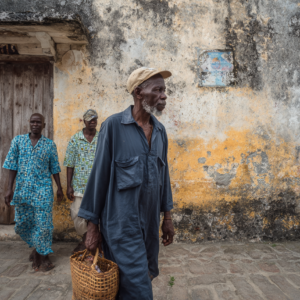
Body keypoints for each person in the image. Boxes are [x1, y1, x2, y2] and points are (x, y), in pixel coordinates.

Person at [78, 67, 175, 299]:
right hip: (122, 227)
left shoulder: (160, 132)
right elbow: (98, 176)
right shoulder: (112, 127)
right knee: (140, 290)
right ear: (139, 92)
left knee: (138, 278)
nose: (164, 95)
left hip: (150, 226)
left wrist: (168, 218)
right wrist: (92, 228)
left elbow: (164, 177)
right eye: (158, 90)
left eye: (165, 90)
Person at [3, 113, 63, 272]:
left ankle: (42, 255)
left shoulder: (49, 145)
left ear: (44, 125)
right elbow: (12, 165)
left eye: (38, 122)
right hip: (23, 190)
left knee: (44, 224)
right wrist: (9, 189)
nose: (35, 124)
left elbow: (55, 168)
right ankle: (37, 247)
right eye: (33, 122)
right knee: (24, 222)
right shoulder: (18, 141)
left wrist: (60, 188)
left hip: (43, 190)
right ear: (29, 123)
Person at [63, 109, 99, 253]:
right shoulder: (75, 139)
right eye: (90, 119)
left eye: (95, 119)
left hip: (98, 186)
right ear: (83, 121)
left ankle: (94, 242)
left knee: (97, 215)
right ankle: (85, 239)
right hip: (79, 185)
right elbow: (70, 164)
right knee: (78, 214)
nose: (92, 121)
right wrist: (69, 186)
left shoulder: (102, 138)